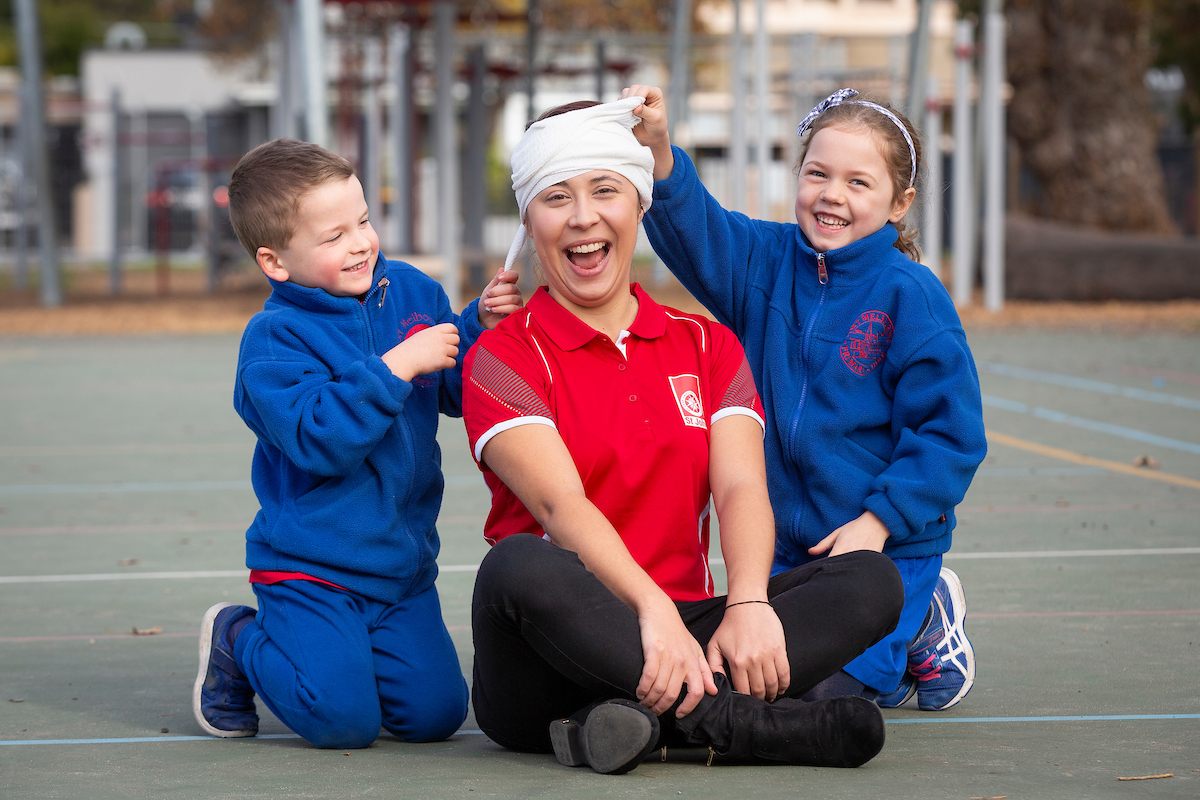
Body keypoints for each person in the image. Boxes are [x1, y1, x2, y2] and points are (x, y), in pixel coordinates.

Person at [462, 97, 904, 776]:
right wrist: (650, 612)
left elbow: (738, 485)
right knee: (515, 567)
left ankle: (631, 728)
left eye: (605, 190)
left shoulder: (707, 344)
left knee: (872, 581)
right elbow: (560, 509)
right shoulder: (501, 358)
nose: (583, 216)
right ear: (529, 218)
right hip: (547, 661)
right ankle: (734, 723)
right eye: (557, 197)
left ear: (639, 204)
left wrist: (750, 602)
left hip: (690, 634)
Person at [623, 84, 987, 711]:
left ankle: (924, 620)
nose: (832, 196)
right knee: (753, 674)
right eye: (817, 173)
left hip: (882, 552)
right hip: (783, 555)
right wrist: (658, 149)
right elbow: (696, 233)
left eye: (858, 183)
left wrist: (878, 524)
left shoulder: (912, 296)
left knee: (812, 692)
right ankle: (894, 656)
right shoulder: (765, 261)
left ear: (899, 202)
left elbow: (950, 437)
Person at [191, 138, 523, 749]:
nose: (361, 243)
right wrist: (397, 365)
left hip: (399, 568)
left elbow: (448, 389)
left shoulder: (413, 292)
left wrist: (478, 327)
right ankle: (239, 638)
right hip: (310, 567)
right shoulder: (274, 342)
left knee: (436, 717)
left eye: (363, 221)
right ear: (276, 262)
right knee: (342, 722)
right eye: (333, 236)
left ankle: (345, 652)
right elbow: (321, 441)